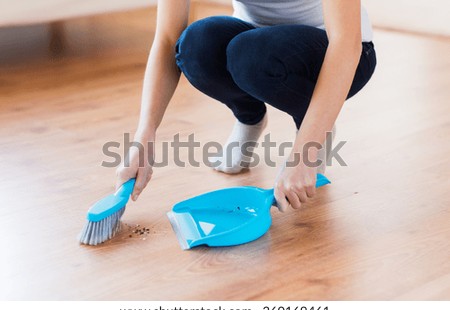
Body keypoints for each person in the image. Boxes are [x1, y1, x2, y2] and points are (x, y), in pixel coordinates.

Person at [115, 0, 377, 212]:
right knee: (196, 45)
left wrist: (305, 153)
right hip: (254, 42)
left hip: (340, 50)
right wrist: (145, 134)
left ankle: (316, 127)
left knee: (250, 55)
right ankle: (249, 119)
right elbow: (167, 38)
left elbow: (346, 42)